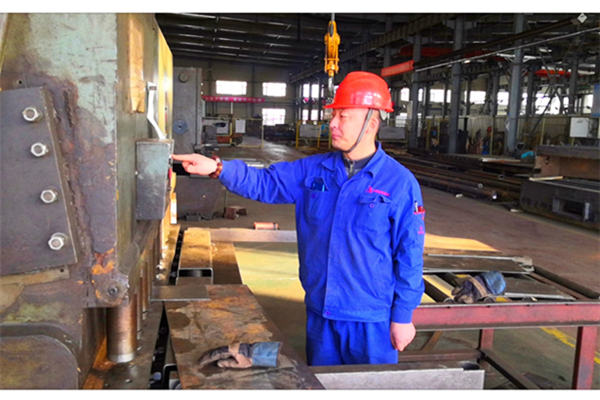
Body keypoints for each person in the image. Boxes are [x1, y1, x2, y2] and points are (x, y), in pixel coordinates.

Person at [173, 71, 425, 366]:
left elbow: (409, 254)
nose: (332, 123)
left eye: (343, 116)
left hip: (371, 320)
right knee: (321, 384)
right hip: (320, 312)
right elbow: (265, 182)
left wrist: (403, 316)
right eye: (334, 115)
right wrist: (218, 168)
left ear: (371, 123)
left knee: (371, 387)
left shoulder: (399, 182)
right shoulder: (314, 170)